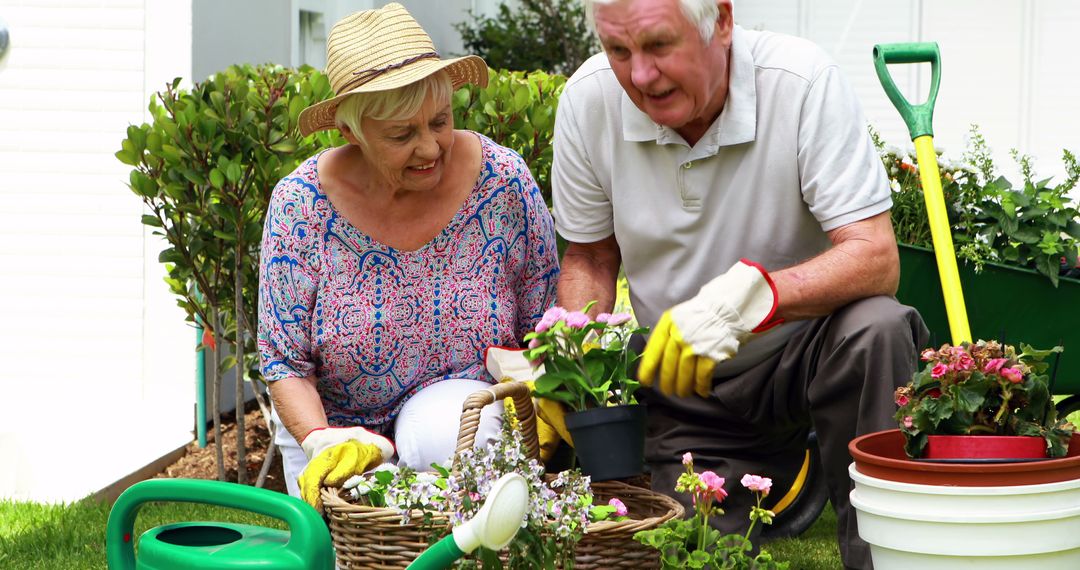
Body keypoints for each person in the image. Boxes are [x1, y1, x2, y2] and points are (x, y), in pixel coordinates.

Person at [550, 0, 928, 567]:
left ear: (721, 22)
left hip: (800, 358)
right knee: (686, 550)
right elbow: (591, 256)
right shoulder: (587, 100)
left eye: (658, 45)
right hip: (682, 385)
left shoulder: (801, 82)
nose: (640, 75)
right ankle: (773, 485)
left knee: (877, 328)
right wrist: (579, 353)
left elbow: (875, 257)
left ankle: (887, 553)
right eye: (618, 50)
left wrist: (755, 299)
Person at [257, 3, 559, 509]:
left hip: (462, 423)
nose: (430, 148)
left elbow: (544, 325)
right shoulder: (301, 203)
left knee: (456, 431)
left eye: (440, 121)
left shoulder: (503, 182)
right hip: (334, 428)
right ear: (351, 133)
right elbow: (283, 360)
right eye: (402, 134)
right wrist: (318, 439)